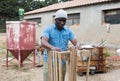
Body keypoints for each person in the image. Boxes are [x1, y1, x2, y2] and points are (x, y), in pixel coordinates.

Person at [41, 9, 80, 81]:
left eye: (64, 21)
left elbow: (75, 41)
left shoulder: (67, 30)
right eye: (60, 20)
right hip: (50, 61)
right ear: (55, 20)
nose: (62, 23)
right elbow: (43, 42)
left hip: (62, 62)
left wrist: (77, 45)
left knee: (60, 79)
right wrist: (52, 47)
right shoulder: (48, 29)